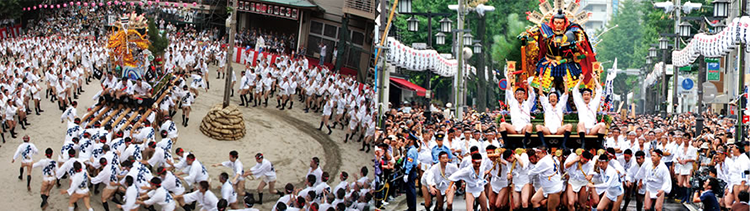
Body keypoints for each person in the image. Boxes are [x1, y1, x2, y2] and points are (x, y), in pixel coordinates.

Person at [499, 73, 535, 149]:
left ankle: (524, 144)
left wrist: (528, 85)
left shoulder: (527, 103)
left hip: (524, 128)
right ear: (515, 95)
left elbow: (532, 96)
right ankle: (506, 143)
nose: (519, 96)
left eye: (521, 94)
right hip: (514, 128)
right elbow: (508, 91)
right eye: (517, 94)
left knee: (530, 126)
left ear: (524, 95)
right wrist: (508, 79)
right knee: (502, 125)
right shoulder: (513, 102)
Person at [535, 78, 573, 150]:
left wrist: (565, 82)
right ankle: (544, 144)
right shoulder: (546, 105)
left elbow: (566, 94)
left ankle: (563, 144)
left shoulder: (560, 105)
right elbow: (540, 93)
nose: (553, 98)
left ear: (557, 99)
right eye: (551, 97)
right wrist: (540, 82)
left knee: (569, 126)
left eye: (554, 97)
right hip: (548, 130)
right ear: (549, 99)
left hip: (558, 130)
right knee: (538, 127)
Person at [572, 76, 605, 150]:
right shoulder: (579, 103)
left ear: (590, 96)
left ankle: (599, 144)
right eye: (584, 95)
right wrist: (580, 81)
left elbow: (600, 90)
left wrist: (595, 79)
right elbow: (574, 91)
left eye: (588, 95)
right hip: (582, 129)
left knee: (602, 125)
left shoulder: (594, 103)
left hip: (591, 129)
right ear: (582, 96)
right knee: (581, 123)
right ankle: (583, 143)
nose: (586, 96)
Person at [529, 147, 563, 211]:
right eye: (536, 152)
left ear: (544, 153)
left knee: (551, 209)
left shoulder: (543, 161)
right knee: (534, 200)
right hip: (546, 186)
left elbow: (530, 172)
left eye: (538, 153)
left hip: (553, 188)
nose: (536, 154)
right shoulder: (550, 157)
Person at [403, 134, 419, 211]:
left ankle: (412, 208)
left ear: (411, 141)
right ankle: (411, 207)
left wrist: (406, 173)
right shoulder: (412, 149)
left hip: (410, 171)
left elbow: (410, 162)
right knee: (409, 190)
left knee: (411, 190)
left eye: (407, 139)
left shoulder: (412, 150)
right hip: (411, 171)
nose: (406, 141)